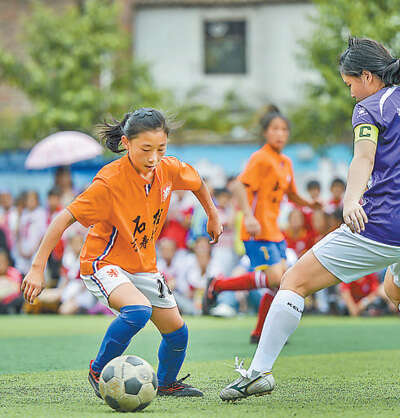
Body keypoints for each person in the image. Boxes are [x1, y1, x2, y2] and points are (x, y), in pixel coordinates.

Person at [219, 37, 400, 401]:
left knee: (293, 280)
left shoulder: (369, 107)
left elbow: (363, 159)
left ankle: (258, 373)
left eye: (349, 84)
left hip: (383, 223)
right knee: (393, 290)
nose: (350, 93)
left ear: (367, 77)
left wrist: (350, 201)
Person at [21, 108, 222, 398]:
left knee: (178, 332)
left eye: (161, 148)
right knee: (138, 311)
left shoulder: (169, 168)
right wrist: (37, 268)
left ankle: (166, 382)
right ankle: (98, 369)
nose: (154, 157)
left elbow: (197, 182)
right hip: (104, 263)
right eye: (146, 149)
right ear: (126, 143)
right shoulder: (109, 183)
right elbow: (63, 218)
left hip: (143, 265)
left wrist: (212, 215)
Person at [203, 106, 320, 343]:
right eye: (275, 129)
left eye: (284, 129)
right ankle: (218, 285)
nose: (280, 134)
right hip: (257, 230)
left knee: (281, 282)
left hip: (274, 231)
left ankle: (259, 333)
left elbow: (292, 194)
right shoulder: (260, 158)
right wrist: (248, 216)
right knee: (277, 278)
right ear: (266, 133)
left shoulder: (285, 162)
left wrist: (311, 203)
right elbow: (238, 186)